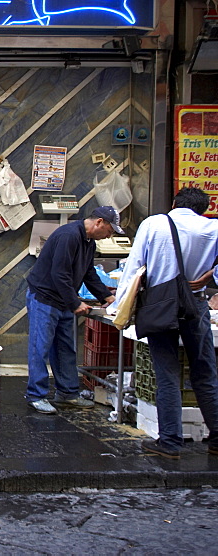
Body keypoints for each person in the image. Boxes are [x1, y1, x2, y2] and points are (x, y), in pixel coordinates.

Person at [112, 187, 218, 459]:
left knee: (167, 373)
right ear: (204, 209)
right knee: (205, 371)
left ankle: (170, 441)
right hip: (195, 303)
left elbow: (134, 266)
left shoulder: (155, 223)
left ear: (174, 203)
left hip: (159, 303)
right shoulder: (213, 228)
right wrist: (208, 277)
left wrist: (119, 307)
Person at [24, 206, 120, 415]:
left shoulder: (88, 243)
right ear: (99, 222)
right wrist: (75, 303)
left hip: (63, 300)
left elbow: (88, 272)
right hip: (45, 297)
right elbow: (59, 273)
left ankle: (67, 393)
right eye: (110, 231)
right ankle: (36, 395)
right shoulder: (69, 236)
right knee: (40, 348)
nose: (109, 236)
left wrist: (107, 296)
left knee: (65, 348)